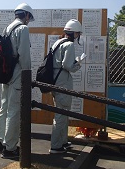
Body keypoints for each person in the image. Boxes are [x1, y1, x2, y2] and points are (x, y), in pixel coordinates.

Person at [0, 3, 34, 159]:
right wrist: (28, 76)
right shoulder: (22, 29)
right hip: (18, 73)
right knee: (14, 110)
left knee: (4, 107)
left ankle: (1, 142)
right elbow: (24, 55)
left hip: (6, 72)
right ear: (25, 15)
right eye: (29, 18)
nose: (28, 21)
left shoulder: (8, 28)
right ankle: (10, 148)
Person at [49, 19, 82, 154]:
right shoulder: (69, 45)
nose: (78, 36)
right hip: (62, 82)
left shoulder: (58, 42)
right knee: (61, 114)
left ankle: (62, 142)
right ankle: (56, 145)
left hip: (55, 80)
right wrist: (78, 63)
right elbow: (68, 66)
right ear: (74, 33)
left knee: (62, 112)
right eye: (78, 33)